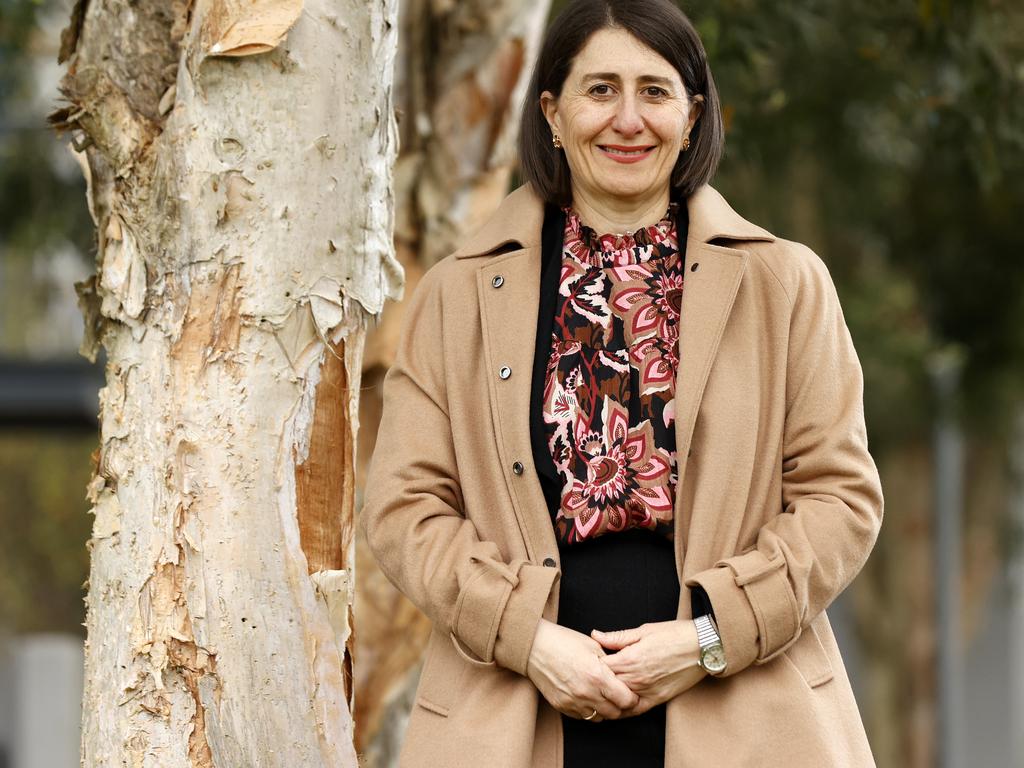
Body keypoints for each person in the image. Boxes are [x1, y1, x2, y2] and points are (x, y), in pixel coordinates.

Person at [359, 0, 884, 766]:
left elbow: (840, 500)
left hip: (742, 706)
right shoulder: (457, 292)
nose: (628, 119)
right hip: (517, 706)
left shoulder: (785, 283)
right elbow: (405, 507)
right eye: (600, 89)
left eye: (656, 91)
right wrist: (528, 641)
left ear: (693, 113)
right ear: (552, 111)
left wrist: (705, 640)